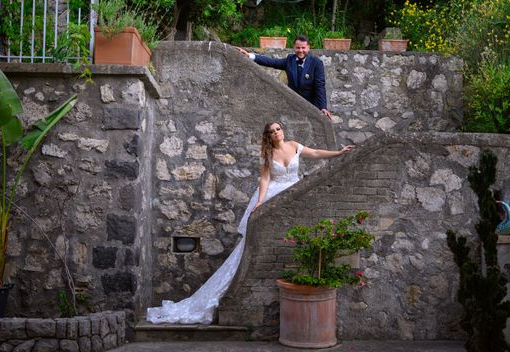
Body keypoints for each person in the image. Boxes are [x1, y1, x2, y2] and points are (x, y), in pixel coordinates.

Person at [146, 121, 354, 324]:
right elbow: (264, 180)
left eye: (278, 129)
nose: (276, 133)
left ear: (283, 130)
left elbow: (316, 153)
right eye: (272, 131)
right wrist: (260, 202)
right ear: (269, 136)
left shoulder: (294, 145)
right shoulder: (268, 154)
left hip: (294, 191)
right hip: (274, 193)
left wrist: (339, 152)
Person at [236, 36, 332, 118]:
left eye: (303, 48)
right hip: (292, 106)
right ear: (294, 48)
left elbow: (320, 86)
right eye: (298, 48)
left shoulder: (316, 63)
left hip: (311, 106)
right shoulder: (290, 60)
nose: (301, 51)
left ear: (308, 48)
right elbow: (272, 62)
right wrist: (250, 56)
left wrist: (323, 107)